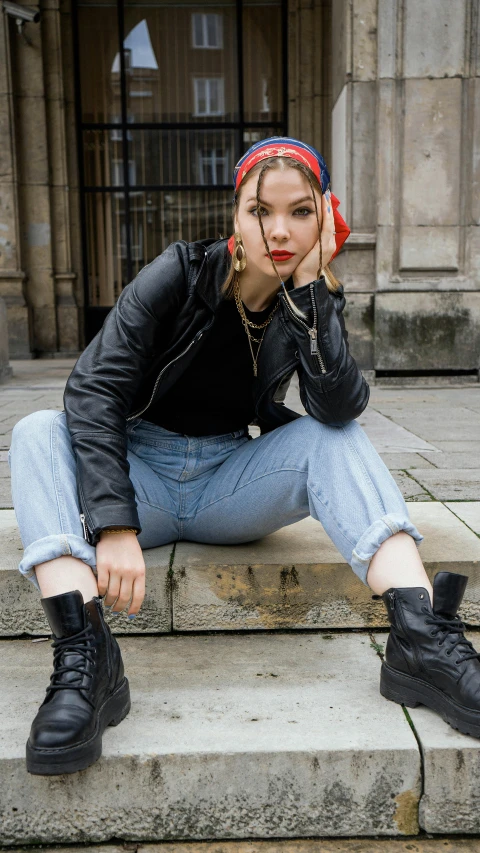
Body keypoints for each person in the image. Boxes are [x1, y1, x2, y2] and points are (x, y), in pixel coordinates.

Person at [8, 137, 480, 776]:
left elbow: (339, 406)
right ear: (236, 215)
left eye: (300, 212)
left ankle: (424, 641)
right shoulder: (180, 271)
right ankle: (85, 660)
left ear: (323, 218)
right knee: (38, 430)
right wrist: (113, 522)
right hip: (139, 477)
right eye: (261, 210)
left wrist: (312, 290)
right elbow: (93, 388)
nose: (279, 230)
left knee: (331, 437)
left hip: (227, 484)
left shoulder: (309, 299)